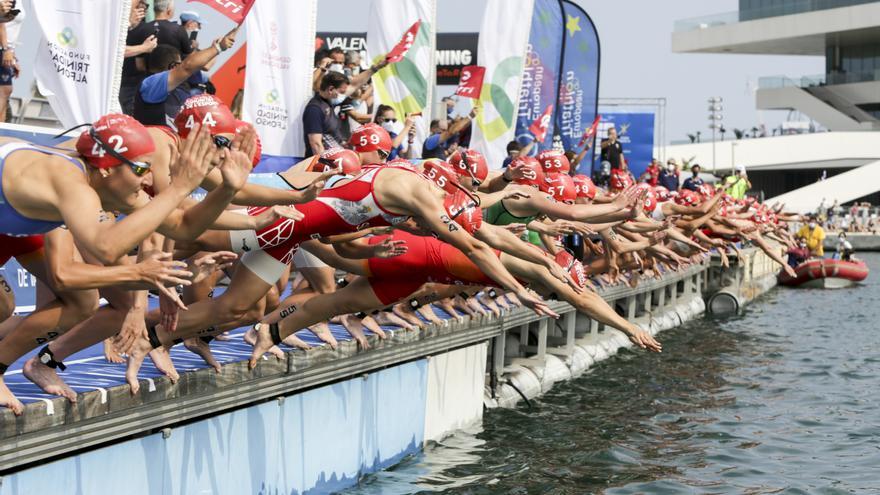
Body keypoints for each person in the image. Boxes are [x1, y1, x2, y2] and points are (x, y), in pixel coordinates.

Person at [133, 25, 238, 127]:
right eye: (179, 64)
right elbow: (187, 67)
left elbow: (200, 67)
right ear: (174, 66)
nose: (181, 68)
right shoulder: (151, 84)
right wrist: (218, 48)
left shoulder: (176, 87)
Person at [121, 0, 194, 115]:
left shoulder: (141, 29)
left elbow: (139, 65)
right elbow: (190, 60)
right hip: (173, 88)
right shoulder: (178, 30)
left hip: (144, 87)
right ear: (169, 11)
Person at [0, 1, 22, 122]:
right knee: (4, 91)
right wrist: (6, 49)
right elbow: (1, 21)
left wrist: (12, 55)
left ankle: (1, 133)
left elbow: (11, 28)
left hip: (6, 51)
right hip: (2, 48)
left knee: (5, 91)